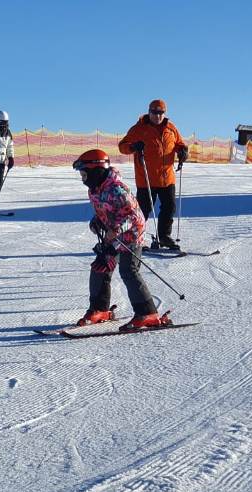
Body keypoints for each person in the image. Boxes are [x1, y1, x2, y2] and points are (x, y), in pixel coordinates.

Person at [73, 149, 167, 331]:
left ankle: (148, 313)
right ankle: (100, 309)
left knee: (128, 270)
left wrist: (117, 229)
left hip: (132, 235)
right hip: (114, 236)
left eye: (84, 174)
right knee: (100, 267)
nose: (83, 179)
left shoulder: (117, 189)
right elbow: (105, 210)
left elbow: (134, 217)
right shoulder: (95, 190)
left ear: (96, 171)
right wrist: (97, 221)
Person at [117, 99, 189, 251]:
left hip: (167, 178)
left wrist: (183, 151)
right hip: (146, 179)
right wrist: (133, 146)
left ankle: (164, 236)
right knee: (142, 211)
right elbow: (122, 146)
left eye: (161, 113)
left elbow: (179, 143)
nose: (157, 116)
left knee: (169, 208)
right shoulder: (139, 129)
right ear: (149, 112)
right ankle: (136, 239)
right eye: (154, 112)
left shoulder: (171, 128)